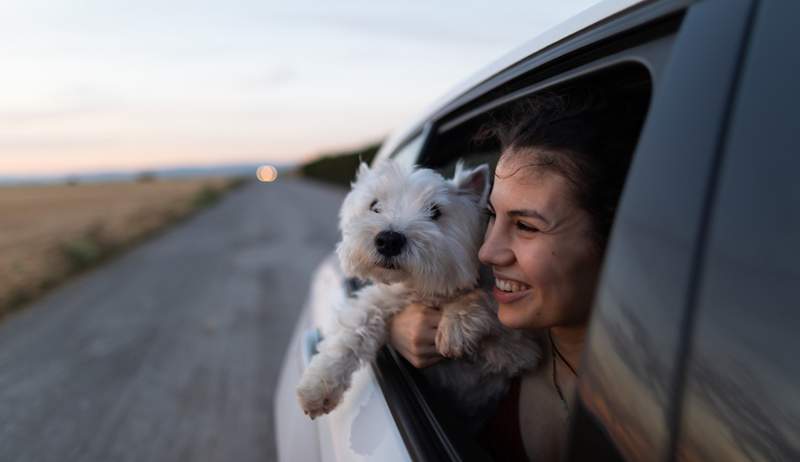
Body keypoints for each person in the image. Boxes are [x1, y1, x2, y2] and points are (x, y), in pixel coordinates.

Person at [388, 91, 645, 461]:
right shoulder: (494, 328)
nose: (486, 252)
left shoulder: (668, 404)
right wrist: (396, 326)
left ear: (615, 237)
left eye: (525, 225)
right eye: (491, 216)